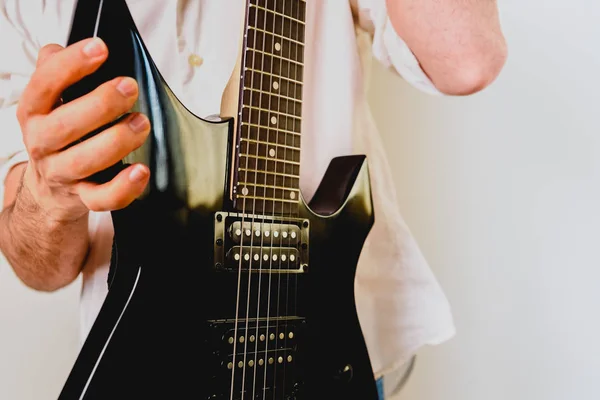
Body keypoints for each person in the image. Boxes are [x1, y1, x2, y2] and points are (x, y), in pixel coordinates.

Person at [0, 0, 507, 398]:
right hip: (144, 365)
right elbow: (38, 266)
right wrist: (50, 194)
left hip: (329, 355)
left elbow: (466, 59)